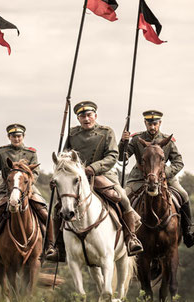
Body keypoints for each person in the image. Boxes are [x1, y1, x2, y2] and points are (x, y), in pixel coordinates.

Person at [45, 101, 144, 262]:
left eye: (89, 115)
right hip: (75, 178)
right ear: (78, 118)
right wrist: (56, 176)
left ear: (95, 116)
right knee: (58, 206)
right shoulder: (72, 134)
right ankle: (56, 246)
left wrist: (92, 169)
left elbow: (112, 156)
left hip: (103, 174)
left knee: (123, 199)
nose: (86, 118)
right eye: (82, 116)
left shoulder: (106, 132)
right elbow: (63, 159)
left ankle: (131, 238)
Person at [119, 110, 194, 247]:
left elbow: (178, 162)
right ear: (145, 123)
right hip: (139, 178)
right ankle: (123, 234)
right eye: (149, 124)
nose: (152, 127)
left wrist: (164, 173)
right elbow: (121, 157)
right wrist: (123, 143)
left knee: (184, 195)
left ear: (160, 123)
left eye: (155, 124)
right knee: (123, 199)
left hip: (164, 177)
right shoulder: (136, 139)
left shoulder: (168, 140)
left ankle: (187, 232)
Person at [0, 124, 53, 263]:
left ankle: (50, 246)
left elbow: (35, 173)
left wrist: (26, 185)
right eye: (13, 136)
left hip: (28, 188)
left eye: (19, 136)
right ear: (9, 137)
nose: (16, 138)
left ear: (23, 137)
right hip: (6, 190)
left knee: (47, 214)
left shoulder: (31, 153)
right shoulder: (2, 152)